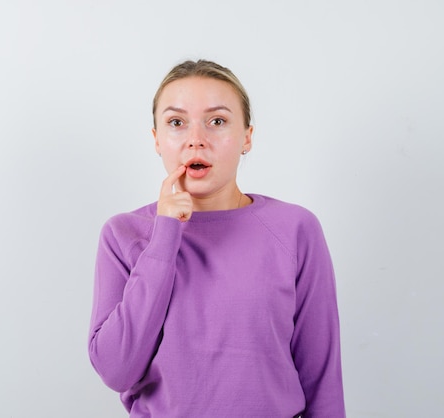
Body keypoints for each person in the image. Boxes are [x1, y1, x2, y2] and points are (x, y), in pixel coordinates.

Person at [88, 59, 345, 417]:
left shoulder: (296, 229)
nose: (196, 139)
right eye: (177, 123)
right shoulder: (123, 235)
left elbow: (323, 382)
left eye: (218, 121)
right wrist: (165, 236)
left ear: (247, 138)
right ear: (157, 140)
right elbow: (116, 370)